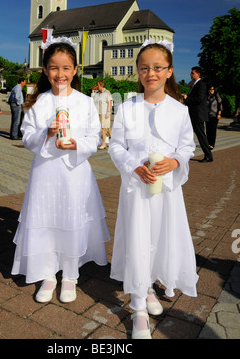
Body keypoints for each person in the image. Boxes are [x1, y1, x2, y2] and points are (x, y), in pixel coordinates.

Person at [108, 39, 198, 339]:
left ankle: (148, 286)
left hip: (168, 191)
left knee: (160, 237)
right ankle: (138, 306)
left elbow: (187, 146)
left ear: (169, 71)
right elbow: (117, 145)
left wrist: (175, 161)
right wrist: (133, 164)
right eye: (144, 68)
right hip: (136, 188)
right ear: (138, 72)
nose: (151, 73)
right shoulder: (127, 107)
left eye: (158, 67)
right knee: (137, 237)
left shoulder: (179, 110)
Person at [11, 37, 110, 304]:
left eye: (66, 68)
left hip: (75, 172)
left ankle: (70, 274)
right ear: (45, 70)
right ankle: (47, 274)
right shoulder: (38, 102)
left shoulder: (85, 102)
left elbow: (95, 137)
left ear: (75, 70)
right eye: (54, 68)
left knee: (72, 217)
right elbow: (27, 137)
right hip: (46, 171)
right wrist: (47, 132)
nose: (60, 74)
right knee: (46, 216)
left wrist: (78, 143)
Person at [181, 67, 213, 163]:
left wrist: (186, 99)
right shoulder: (195, 85)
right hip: (193, 115)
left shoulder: (201, 84)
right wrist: (187, 97)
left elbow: (199, 99)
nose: (190, 74)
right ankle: (184, 152)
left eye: (192, 73)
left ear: (198, 74)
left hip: (197, 115)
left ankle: (208, 156)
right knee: (187, 133)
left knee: (201, 136)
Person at [93, 80, 113, 149]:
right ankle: (104, 142)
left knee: (104, 129)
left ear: (101, 85)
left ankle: (104, 144)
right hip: (97, 114)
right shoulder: (96, 93)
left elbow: (110, 102)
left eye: (97, 85)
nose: (96, 86)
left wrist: (108, 112)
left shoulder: (107, 92)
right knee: (100, 129)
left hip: (104, 113)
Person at [206, 85, 223, 149]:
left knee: (213, 130)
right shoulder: (206, 97)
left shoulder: (216, 96)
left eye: (212, 89)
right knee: (208, 130)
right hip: (207, 115)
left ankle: (212, 144)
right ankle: (208, 143)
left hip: (214, 115)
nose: (211, 90)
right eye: (210, 89)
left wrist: (219, 114)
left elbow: (220, 105)